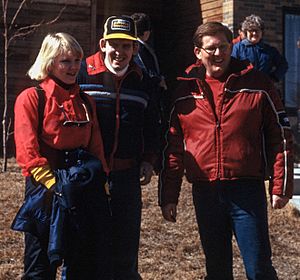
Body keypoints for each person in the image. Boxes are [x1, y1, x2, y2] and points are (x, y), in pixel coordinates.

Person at [159, 22, 294, 280]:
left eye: (224, 47)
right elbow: (174, 147)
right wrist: (169, 195)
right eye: (211, 49)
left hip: (246, 190)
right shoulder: (185, 91)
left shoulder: (257, 83)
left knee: (259, 268)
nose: (218, 54)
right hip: (206, 192)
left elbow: (281, 136)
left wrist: (281, 185)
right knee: (217, 270)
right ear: (198, 52)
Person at [13, 32, 108, 279]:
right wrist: (53, 185)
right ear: (49, 61)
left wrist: (102, 181)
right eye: (66, 61)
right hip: (45, 192)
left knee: (82, 263)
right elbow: (26, 149)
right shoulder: (32, 98)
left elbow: (95, 146)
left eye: (77, 60)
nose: (74, 67)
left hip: (81, 188)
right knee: (40, 266)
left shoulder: (86, 101)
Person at [77, 15, 160, 279]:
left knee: (125, 250)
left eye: (126, 46)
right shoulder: (81, 74)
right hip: (88, 176)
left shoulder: (143, 80)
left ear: (135, 48)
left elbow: (152, 123)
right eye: (114, 44)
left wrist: (149, 158)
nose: (119, 52)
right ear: (102, 44)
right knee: (87, 247)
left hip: (126, 176)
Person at [232, 14, 288, 83]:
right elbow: (230, 67)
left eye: (257, 30)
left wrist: (273, 78)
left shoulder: (269, 50)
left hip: (264, 90)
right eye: (251, 30)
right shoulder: (237, 48)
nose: (254, 33)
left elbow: (283, 65)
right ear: (246, 32)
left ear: (262, 32)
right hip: (243, 90)